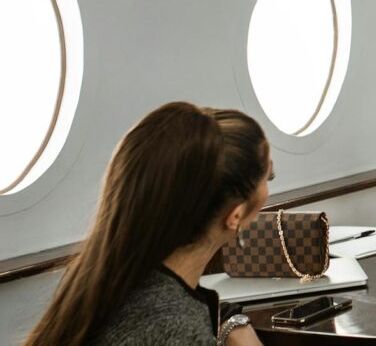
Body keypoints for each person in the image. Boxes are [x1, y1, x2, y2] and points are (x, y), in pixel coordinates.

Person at [24, 102, 274, 346]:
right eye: (268, 177)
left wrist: (231, 322)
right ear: (236, 216)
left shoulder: (104, 284)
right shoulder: (177, 331)